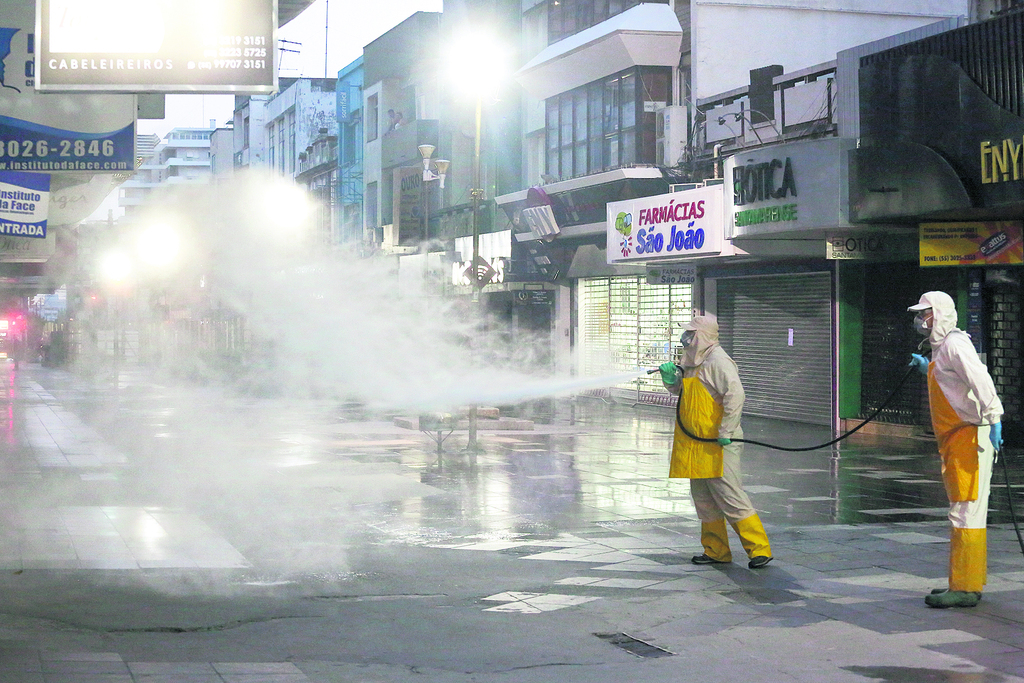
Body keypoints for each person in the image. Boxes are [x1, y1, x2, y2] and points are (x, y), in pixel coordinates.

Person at [908, 291, 1003, 608]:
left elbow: (980, 378)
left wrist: (994, 416)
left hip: (970, 438)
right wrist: (927, 369)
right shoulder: (941, 349)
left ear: (940, 314)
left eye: (926, 313)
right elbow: (953, 384)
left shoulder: (955, 343)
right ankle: (966, 581)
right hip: (957, 439)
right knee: (965, 510)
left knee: (966, 511)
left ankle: (964, 587)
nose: (921, 319)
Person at [659, 314, 773, 569]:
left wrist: (726, 431)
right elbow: (683, 391)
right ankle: (716, 550)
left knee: (730, 496)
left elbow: (736, 395)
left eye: (691, 333)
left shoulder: (718, 361)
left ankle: (759, 549)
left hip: (719, 443)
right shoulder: (691, 360)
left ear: (704, 335)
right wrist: (671, 380)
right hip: (695, 442)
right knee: (704, 500)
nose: (685, 338)